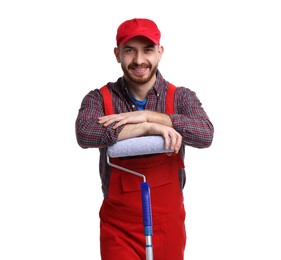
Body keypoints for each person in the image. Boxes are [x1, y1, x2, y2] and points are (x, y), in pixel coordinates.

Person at [75, 18, 214, 260]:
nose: (139, 60)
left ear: (160, 52)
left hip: (167, 226)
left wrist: (152, 116)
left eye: (147, 50)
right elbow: (85, 133)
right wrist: (146, 127)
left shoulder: (180, 98)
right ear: (117, 54)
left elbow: (205, 134)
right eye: (130, 51)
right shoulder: (99, 99)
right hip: (118, 228)